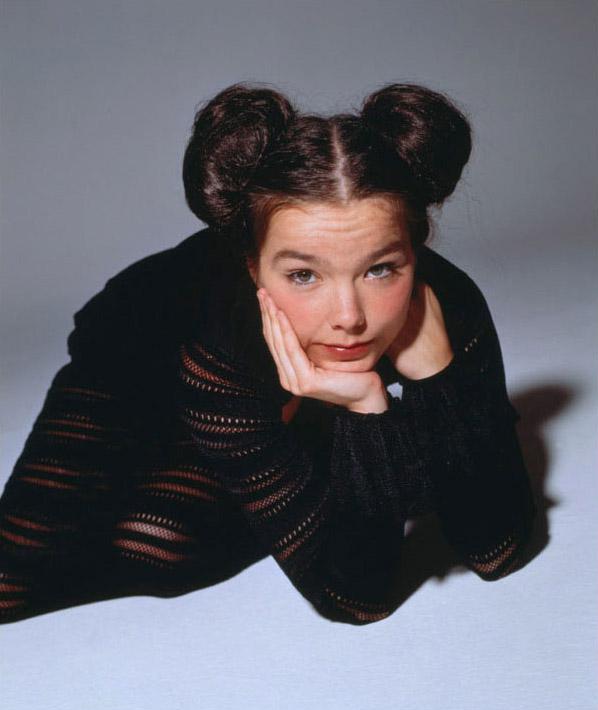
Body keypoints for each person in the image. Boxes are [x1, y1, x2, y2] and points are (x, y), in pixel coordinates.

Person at [0, 82, 536, 626]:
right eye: (303, 275)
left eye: (380, 269)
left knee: (158, 540)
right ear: (253, 267)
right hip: (130, 369)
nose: (349, 317)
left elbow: (478, 557)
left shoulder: (450, 306)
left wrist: (413, 389)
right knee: (14, 574)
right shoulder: (220, 344)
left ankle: (282, 453)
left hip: (272, 408)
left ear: (415, 255)